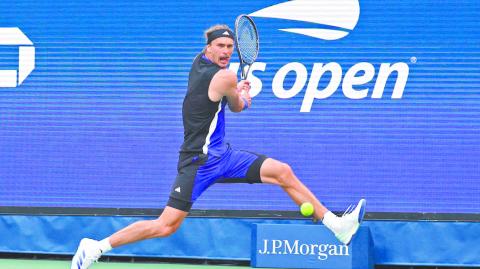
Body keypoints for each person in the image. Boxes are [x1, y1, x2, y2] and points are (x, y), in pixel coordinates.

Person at [70, 24, 366, 269]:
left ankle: (335, 226)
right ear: (209, 48)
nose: (226, 52)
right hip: (198, 162)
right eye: (221, 47)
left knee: (282, 171)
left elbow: (226, 96)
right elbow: (238, 107)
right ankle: (96, 246)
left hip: (223, 155)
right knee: (166, 225)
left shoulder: (199, 63)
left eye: (230, 47)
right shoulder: (225, 76)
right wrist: (244, 94)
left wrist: (236, 90)